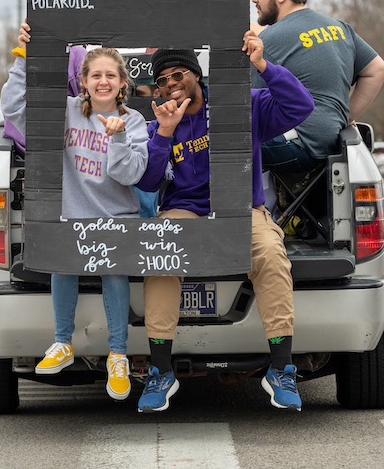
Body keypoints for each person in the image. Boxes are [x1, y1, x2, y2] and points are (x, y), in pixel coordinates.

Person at [134, 32, 314, 413]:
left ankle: (281, 369)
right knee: (160, 254)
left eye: (177, 75)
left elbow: (300, 105)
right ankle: (161, 371)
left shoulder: (239, 105)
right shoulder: (160, 122)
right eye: (162, 81)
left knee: (270, 253)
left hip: (241, 209)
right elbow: (148, 181)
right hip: (185, 211)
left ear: (196, 75)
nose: (170, 85)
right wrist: (164, 132)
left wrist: (263, 66)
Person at [1, 21, 149, 402]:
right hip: (73, 216)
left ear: (122, 83)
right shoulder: (64, 112)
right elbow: (13, 109)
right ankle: (62, 343)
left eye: (110, 75)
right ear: (83, 81)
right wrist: (24, 57)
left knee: (114, 273)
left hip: (117, 218)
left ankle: (118, 355)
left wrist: (116, 136)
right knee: (61, 261)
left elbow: (131, 173)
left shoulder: (133, 122)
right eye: (95, 74)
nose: (103, 81)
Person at [249, 0, 384, 173]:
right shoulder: (340, 28)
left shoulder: (269, 39)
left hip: (296, 145)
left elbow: (248, 105)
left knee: (213, 149)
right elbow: (378, 69)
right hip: (333, 143)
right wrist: (344, 116)